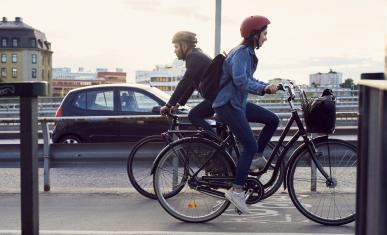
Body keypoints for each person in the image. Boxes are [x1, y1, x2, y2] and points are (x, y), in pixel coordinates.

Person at [212, 15, 280, 214]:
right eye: (264, 34)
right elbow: (241, 82)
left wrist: (268, 85)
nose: (266, 38)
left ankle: (257, 157)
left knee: (272, 119)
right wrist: (265, 89)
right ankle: (237, 191)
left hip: (238, 103)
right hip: (228, 105)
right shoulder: (242, 53)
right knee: (249, 144)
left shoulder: (247, 53)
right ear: (254, 34)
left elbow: (248, 79)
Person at [159, 31, 215, 133]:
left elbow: (185, 82)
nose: (174, 51)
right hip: (216, 97)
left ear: (184, 46)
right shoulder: (197, 54)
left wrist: (168, 105)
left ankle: (215, 141)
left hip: (217, 98)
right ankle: (215, 141)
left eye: (176, 47)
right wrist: (178, 103)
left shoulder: (193, 57)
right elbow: (191, 84)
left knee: (194, 115)